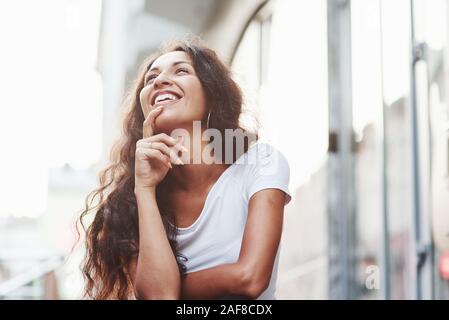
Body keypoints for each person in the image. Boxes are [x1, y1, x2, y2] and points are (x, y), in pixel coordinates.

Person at [78, 37, 291, 300]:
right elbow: (160, 298)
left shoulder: (261, 162)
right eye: (150, 78)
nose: (159, 81)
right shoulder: (128, 202)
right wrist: (145, 190)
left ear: (211, 93)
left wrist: (174, 287)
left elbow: (249, 279)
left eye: (181, 70)